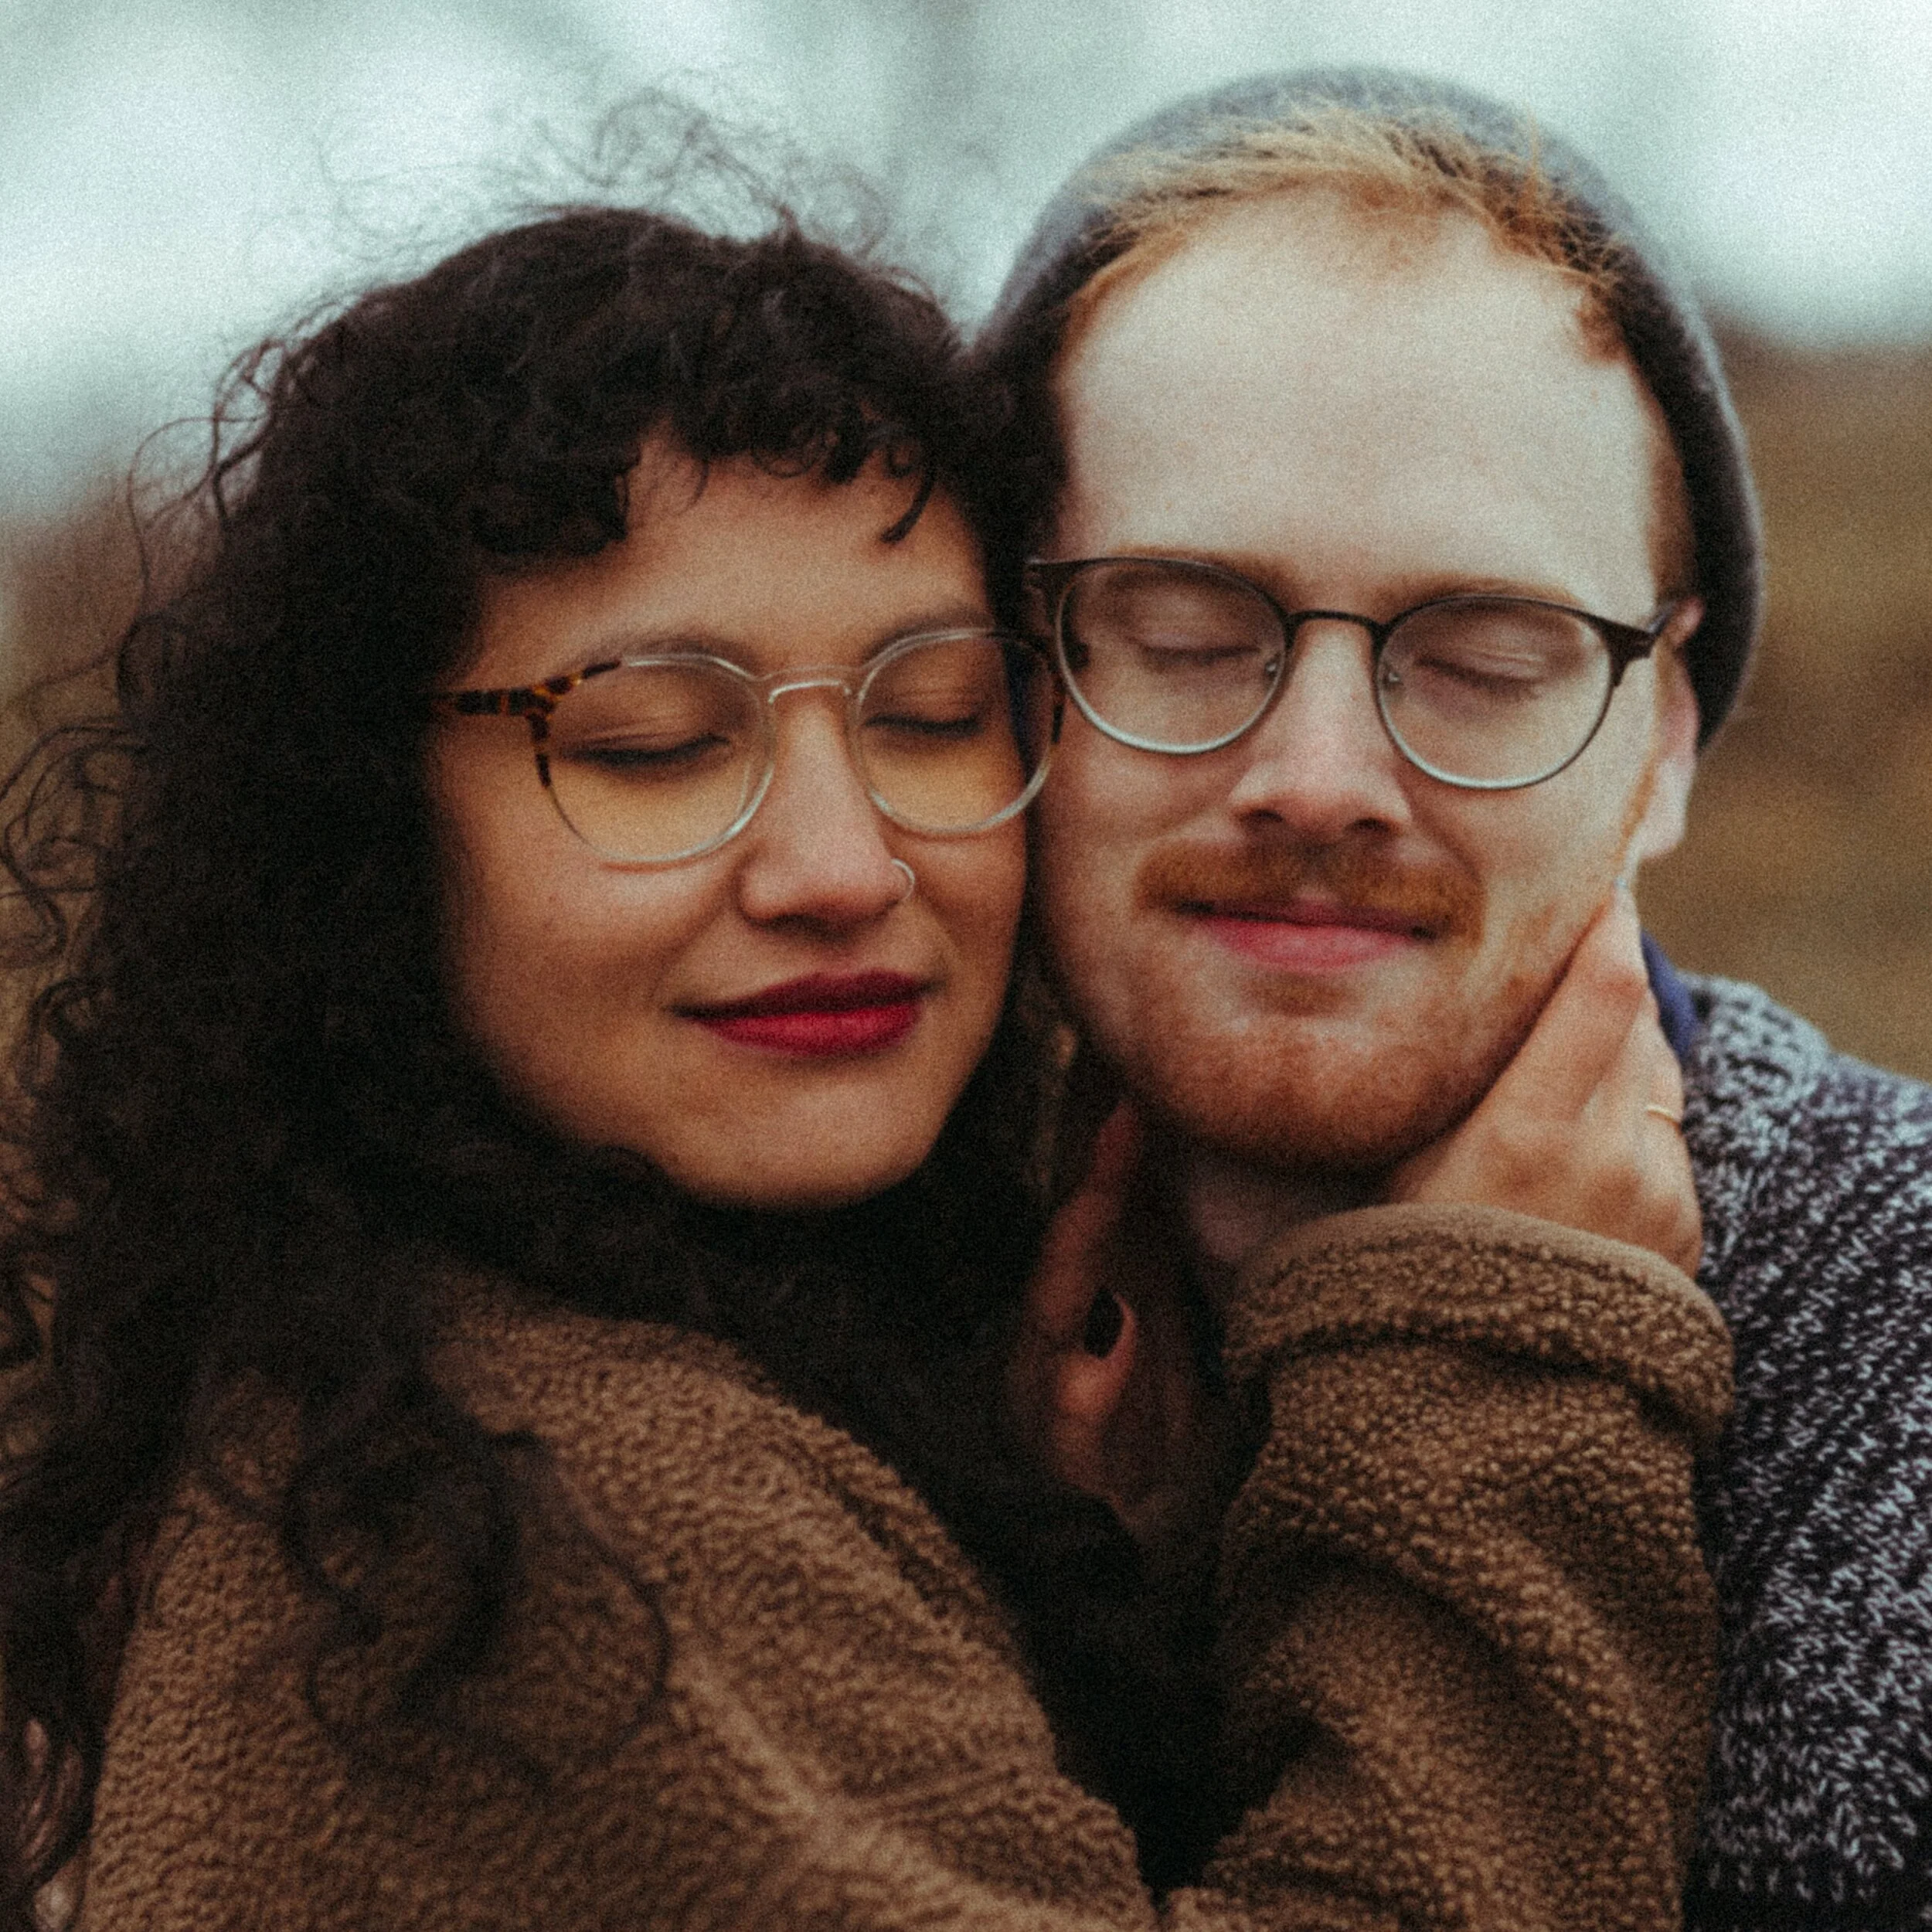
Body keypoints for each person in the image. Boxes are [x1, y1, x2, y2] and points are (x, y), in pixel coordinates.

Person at [0, 199, 1724, 1932]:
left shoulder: (492, 1365)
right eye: (654, 742)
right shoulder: (537, 1522)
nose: (842, 865)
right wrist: (1495, 1375)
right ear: (362, 832)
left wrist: (1093, 1590)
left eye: (929, 712)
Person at [981, 66, 1932, 1930]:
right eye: (1182, 633)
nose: (1317, 772)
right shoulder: (786, 1315)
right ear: (1004, 679)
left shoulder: (1898, 1359)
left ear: (1659, 738)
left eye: (1479, 658)